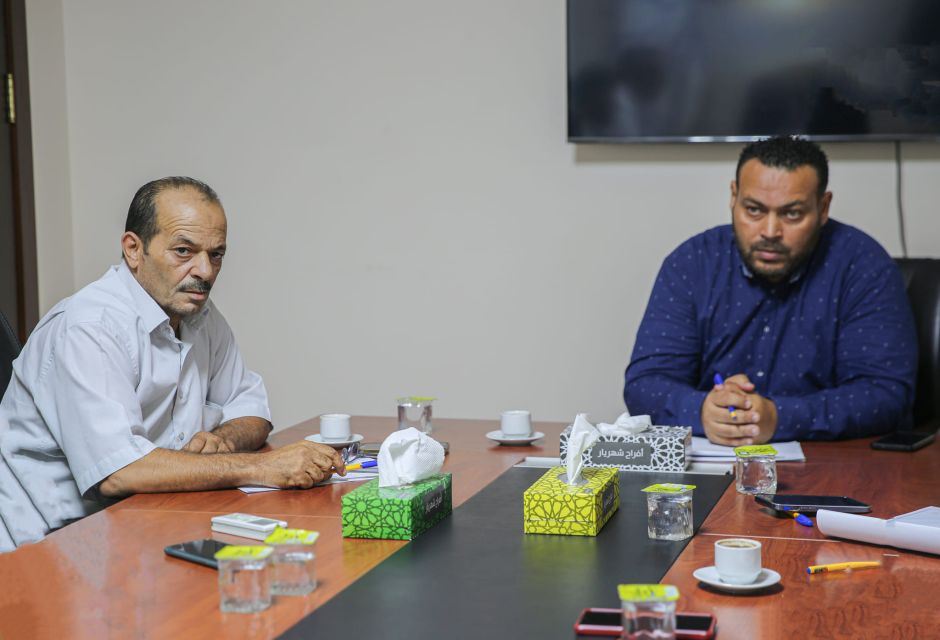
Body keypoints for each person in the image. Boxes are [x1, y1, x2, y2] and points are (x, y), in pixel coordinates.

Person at [0, 177, 344, 551]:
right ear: (134, 249)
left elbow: (252, 411)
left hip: (144, 520)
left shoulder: (200, 315)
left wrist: (224, 440)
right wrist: (262, 467)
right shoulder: (89, 327)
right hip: (49, 546)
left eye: (216, 255)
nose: (205, 271)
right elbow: (118, 471)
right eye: (184, 251)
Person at [624, 136, 917, 446]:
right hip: (714, 462)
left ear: (823, 207)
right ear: (733, 197)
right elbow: (645, 385)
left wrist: (780, 417)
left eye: (792, 214)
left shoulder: (863, 266)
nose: (770, 231)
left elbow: (886, 395)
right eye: (754, 210)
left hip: (831, 462)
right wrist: (702, 411)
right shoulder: (692, 263)